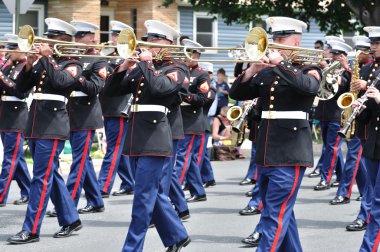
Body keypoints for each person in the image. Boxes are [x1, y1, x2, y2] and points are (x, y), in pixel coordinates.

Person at [230, 16, 321, 250]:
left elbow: (309, 88)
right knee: (278, 212)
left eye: (282, 39)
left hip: (290, 152)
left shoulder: (309, 68)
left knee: (274, 216)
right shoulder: (269, 72)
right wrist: (252, 69)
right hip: (267, 151)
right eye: (275, 39)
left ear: (297, 42)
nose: (276, 44)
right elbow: (237, 92)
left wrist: (281, 64)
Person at [104, 19, 190, 251]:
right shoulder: (142, 67)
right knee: (151, 192)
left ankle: (131, 248)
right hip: (135, 137)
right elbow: (110, 92)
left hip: (156, 137)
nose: (148, 43)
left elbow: (160, 88)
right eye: (148, 39)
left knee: (142, 199)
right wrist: (123, 66)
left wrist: (147, 64)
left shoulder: (177, 68)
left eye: (154, 40)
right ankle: (177, 235)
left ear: (168, 44)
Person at [8, 17, 83, 244]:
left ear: (63, 41)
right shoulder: (43, 62)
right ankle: (70, 219)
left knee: (40, 179)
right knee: (49, 175)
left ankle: (31, 230)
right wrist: (29, 64)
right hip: (35, 124)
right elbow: (21, 89)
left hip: (53, 126)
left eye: (51, 38)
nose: (44, 42)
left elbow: (61, 82)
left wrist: (46, 58)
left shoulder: (73, 63)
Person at [330, 35, 373, 233]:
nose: (371, 49)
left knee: (363, 168)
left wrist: (366, 87)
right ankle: (366, 211)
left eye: (375, 45)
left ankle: (366, 212)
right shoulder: (364, 70)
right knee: (365, 171)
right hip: (363, 125)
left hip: (375, 129)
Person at [63, 20, 106, 214]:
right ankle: (96, 200)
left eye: (85, 36)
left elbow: (95, 88)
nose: (83, 40)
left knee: (78, 160)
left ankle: (68, 204)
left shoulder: (97, 60)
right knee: (83, 159)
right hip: (69, 111)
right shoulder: (68, 57)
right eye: (78, 37)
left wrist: (77, 76)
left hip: (86, 113)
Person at [97, 20, 135, 198]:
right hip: (109, 107)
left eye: (117, 36)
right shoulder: (110, 56)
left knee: (113, 148)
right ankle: (128, 183)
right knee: (118, 148)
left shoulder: (127, 59)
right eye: (113, 35)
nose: (113, 39)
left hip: (119, 108)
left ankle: (103, 186)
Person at [353, 26, 380, 251]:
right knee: (374, 198)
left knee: (379, 204)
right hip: (374, 143)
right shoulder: (374, 71)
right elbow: (371, 115)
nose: (373, 47)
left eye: (377, 44)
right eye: (373, 43)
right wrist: (360, 110)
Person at [314, 38, 351, 191]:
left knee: (332, 148)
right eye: (333, 53)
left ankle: (325, 178)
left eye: (337, 54)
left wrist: (341, 68)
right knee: (330, 147)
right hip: (324, 112)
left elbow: (344, 87)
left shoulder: (346, 72)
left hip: (336, 115)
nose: (333, 56)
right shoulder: (327, 68)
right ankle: (341, 177)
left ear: (343, 56)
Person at [175, 38, 210, 203]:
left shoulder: (201, 74)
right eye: (184, 53)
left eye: (189, 54)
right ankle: (198, 191)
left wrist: (183, 96)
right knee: (189, 159)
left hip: (192, 121)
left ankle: (175, 192)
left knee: (182, 158)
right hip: (180, 120)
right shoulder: (180, 70)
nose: (185, 57)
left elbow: (202, 99)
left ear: (196, 56)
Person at [0, 34, 31, 207]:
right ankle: (28, 190)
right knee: (16, 157)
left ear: (20, 49)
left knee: (10, 158)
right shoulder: (8, 65)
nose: (8, 52)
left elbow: (20, 92)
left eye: (12, 48)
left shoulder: (24, 67)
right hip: (5, 114)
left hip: (17, 115)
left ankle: (0, 195)